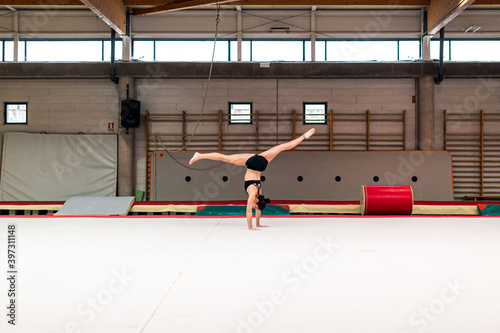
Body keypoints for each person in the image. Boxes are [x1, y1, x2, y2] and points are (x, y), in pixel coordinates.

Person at [189, 128, 315, 230]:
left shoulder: (260, 193)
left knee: (281, 147)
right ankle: (199, 155)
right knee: (225, 158)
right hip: (252, 163)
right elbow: (249, 211)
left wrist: (258, 224)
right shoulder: (254, 194)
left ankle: (304, 136)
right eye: (255, 205)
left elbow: (258, 208)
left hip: (262, 164)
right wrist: (251, 227)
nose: (254, 206)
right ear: (256, 201)